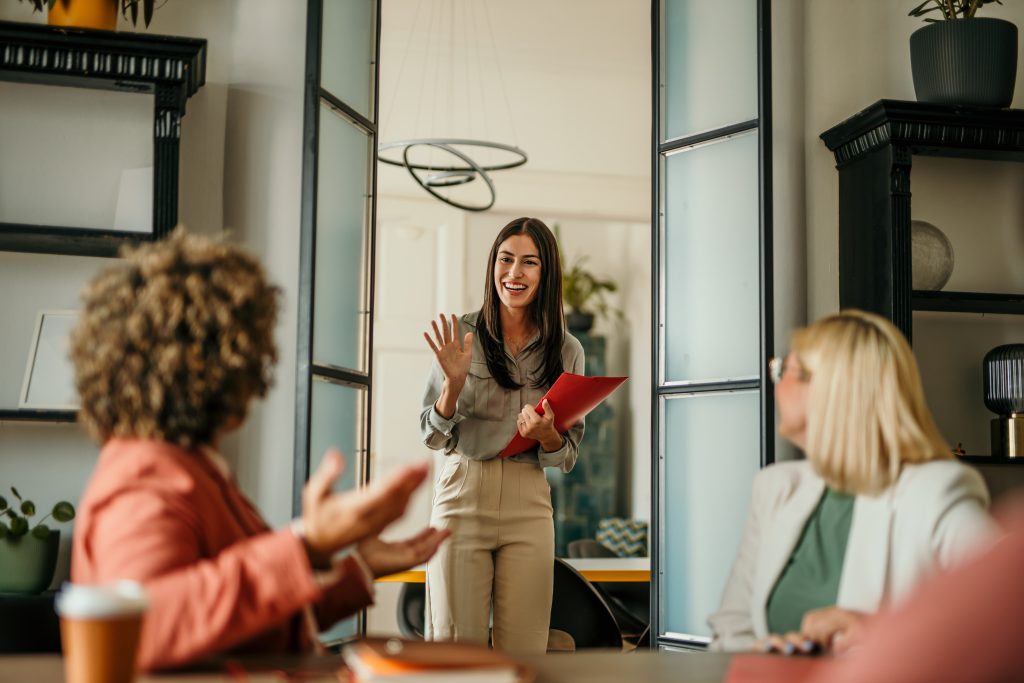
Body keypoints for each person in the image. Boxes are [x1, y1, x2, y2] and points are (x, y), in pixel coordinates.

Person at [69, 228, 449, 671]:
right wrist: (306, 542)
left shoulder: (188, 465)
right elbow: (150, 626)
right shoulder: (144, 478)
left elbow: (238, 620)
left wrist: (358, 567)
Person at [708, 309, 995, 654]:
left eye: (786, 369)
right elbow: (731, 636)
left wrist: (877, 633)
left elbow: (1007, 617)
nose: (776, 382)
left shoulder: (935, 493)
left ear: (832, 389)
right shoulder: (776, 489)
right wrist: (767, 656)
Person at [419, 216, 585, 653]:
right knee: (455, 653)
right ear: (492, 265)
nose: (514, 273)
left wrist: (548, 435)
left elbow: (567, 456)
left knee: (525, 655)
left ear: (545, 274)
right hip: (462, 492)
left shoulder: (567, 350)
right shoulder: (461, 334)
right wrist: (451, 388)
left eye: (529, 263)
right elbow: (432, 436)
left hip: (529, 502)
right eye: (505, 260)